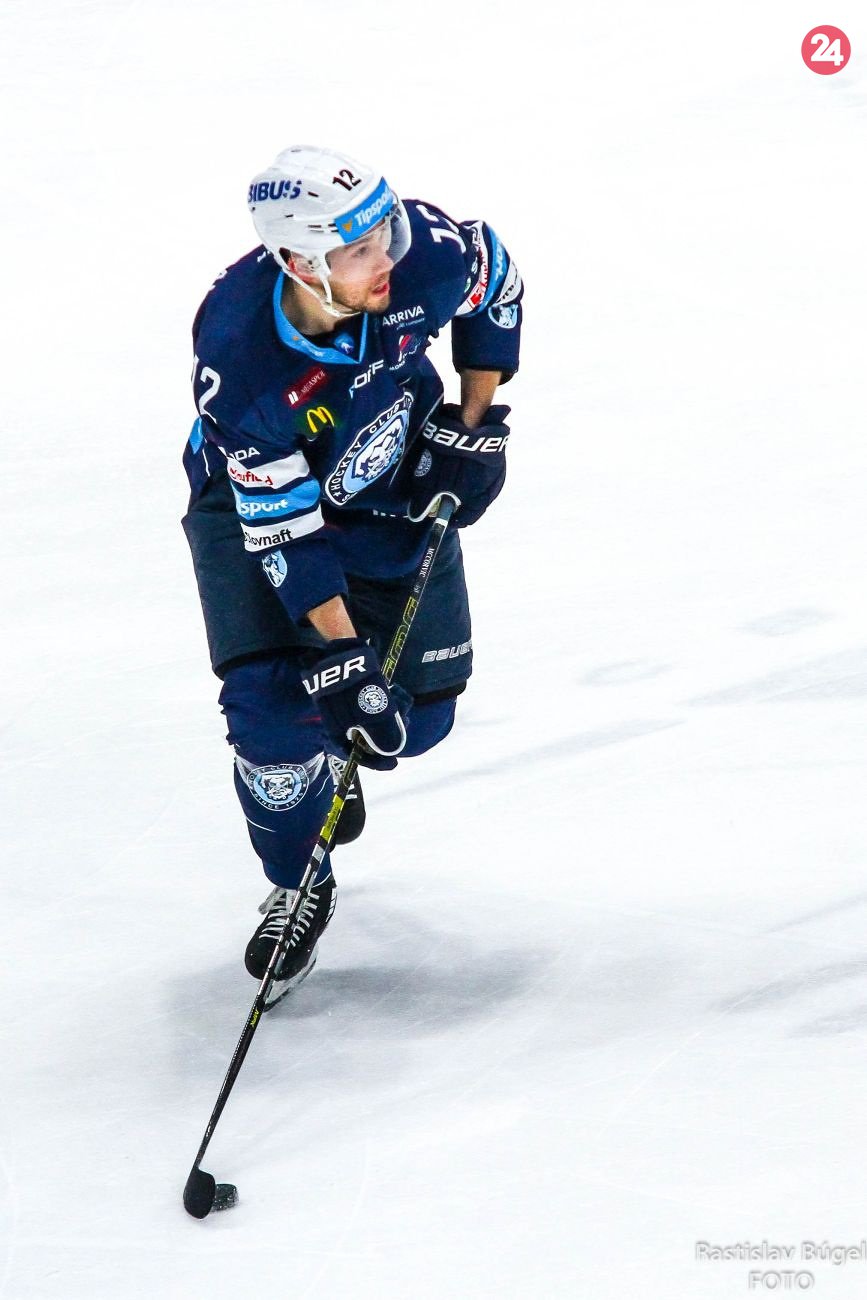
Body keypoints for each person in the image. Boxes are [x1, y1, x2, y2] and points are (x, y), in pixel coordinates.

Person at [182, 144, 523, 1001]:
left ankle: (328, 757)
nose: (387, 260)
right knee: (272, 710)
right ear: (300, 263)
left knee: (417, 719)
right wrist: (339, 657)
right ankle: (298, 879)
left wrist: (469, 422)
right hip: (254, 510)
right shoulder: (240, 355)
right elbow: (283, 526)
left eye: (386, 234)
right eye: (360, 250)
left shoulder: (423, 258)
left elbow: (495, 277)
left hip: (386, 483)